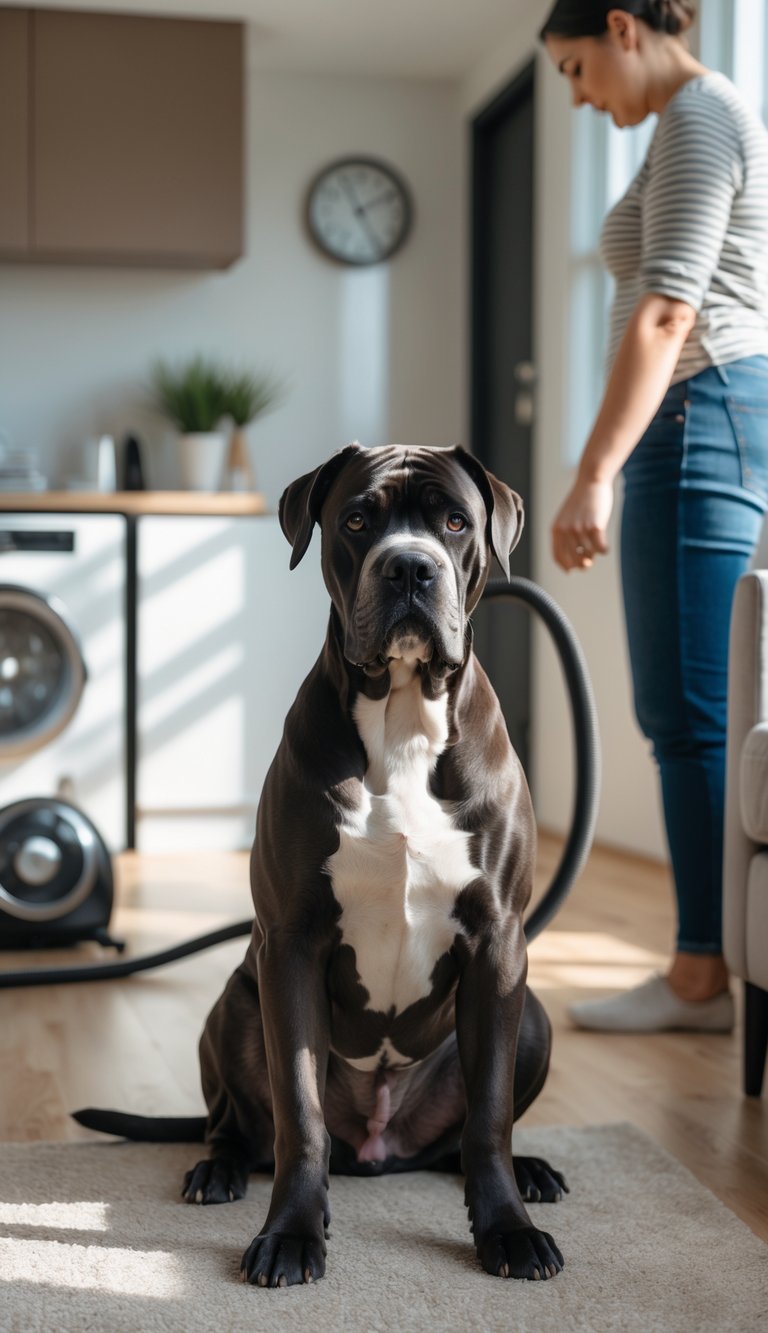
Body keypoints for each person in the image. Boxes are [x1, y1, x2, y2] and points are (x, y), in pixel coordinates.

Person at [540, 0, 768, 1031]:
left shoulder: (699, 116)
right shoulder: (689, 124)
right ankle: (705, 964)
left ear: (623, 28)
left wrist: (595, 471)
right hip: (703, 414)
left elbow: (669, 308)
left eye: (576, 67)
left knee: (688, 714)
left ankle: (698, 973)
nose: (580, 96)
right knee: (691, 711)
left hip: (700, 409)